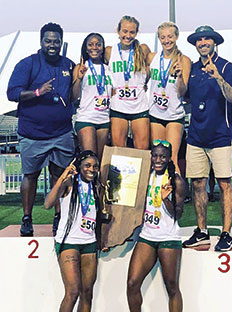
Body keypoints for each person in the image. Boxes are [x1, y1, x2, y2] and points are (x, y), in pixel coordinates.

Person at [7, 22, 75, 237]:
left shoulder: (69, 65)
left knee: (60, 175)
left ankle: (59, 216)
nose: (52, 45)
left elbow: (75, 93)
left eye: (56, 41)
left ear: (61, 42)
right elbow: (12, 93)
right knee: (31, 175)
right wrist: (38, 92)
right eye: (48, 41)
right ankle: (27, 218)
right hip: (33, 132)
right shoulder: (27, 64)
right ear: (41, 42)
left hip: (62, 131)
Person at [182, 26, 232, 252]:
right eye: (199, 39)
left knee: (225, 183)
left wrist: (218, 77)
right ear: (196, 44)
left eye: (207, 38)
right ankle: (202, 231)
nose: (203, 42)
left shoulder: (226, 66)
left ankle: (226, 234)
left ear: (214, 42)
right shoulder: (193, 68)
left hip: (221, 137)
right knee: (197, 184)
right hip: (196, 136)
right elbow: (184, 97)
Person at [127, 139, 185, 312]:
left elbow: (178, 214)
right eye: (155, 156)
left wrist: (166, 198)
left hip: (168, 238)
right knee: (132, 283)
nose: (158, 160)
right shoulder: (146, 176)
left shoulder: (177, 181)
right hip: (147, 236)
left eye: (162, 157)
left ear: (169, 159)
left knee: (172, 287)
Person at [44, 150, 99, 312]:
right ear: (79, 166)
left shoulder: (96, 185)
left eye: (95, 166)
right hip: (68, 242)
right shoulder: (69, 183)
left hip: (89, 242)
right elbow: (48, 204)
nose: (91, 169)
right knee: (73, 292)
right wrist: (63, 176)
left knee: (87, 293)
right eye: (87, 165)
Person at [147, 22, 191, 173]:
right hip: (155, 113)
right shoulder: (152, 57)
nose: (167, 40)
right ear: (159, 39)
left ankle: (176, 196)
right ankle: (156, 194)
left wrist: (179, 77)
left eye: (170, 36)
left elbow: (183, 91)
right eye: (163, 37)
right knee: (157, 158)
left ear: (176, 37)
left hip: (174, 114)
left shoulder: (183, 60)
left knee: (171, 158)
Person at [105, 15, 151, 149]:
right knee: (119, 150)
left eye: (132, 32)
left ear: (136, 33)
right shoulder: (109, 51)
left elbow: (151, 68)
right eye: (125, 31)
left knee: (142, 150)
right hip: (118, 105)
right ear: (118, 31)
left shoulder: (142, 49)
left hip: (139, 105)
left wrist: (144, 83)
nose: (128, 35)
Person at [72, 33, 112, 161]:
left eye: (98, 44)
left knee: (100, 162)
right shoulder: (81, 67)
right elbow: (73, 96)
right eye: (90, 44)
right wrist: (79, 78)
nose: (94, 47)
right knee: (89, 160)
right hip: (86, 118)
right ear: (86, 48)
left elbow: (114, 93)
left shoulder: (108, 69)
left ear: (102, 48)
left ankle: (99, 182)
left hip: (104, 119)